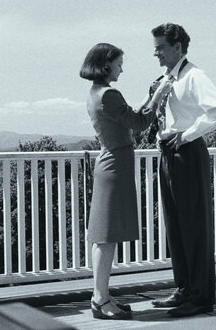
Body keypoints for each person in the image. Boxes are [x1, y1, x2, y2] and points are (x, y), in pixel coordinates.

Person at [79, 43, 172, 320]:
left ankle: (101, 296)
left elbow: (130, 116)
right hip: (114, 167)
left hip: (110, 164)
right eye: (119, 63)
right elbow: (140, 123)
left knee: (104, 237)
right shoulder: (109, 94)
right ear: (106, 64)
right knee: (106, 238)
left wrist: (149, 97)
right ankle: (100, 299)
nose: (122, 68)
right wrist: (159, 96)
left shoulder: (97, 93)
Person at [148, 23, 216, 317]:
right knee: (175, 225)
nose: (155, 52)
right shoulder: (166, 79)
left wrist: (186, 135)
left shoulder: (195, 76)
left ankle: (201, 296)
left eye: (160, 47)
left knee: (194, 225)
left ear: (178, 48)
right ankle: (184, 289)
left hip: (187, 152)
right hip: (168, 154)